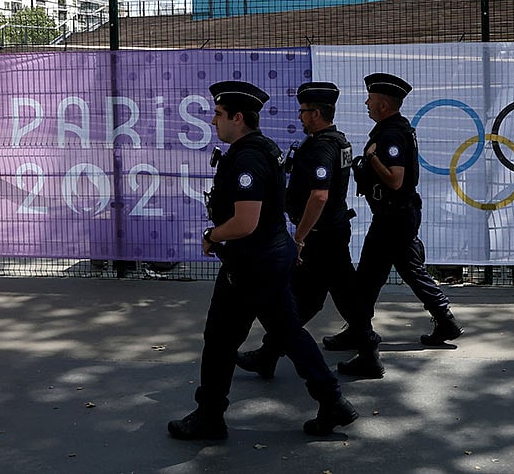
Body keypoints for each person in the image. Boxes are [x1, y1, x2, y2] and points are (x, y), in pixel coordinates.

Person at [167, 80, 358, 440]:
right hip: (266, 258)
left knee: (221, 337)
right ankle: (333, 401)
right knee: (288, 331)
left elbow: (245, 221)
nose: (213, 121)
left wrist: (211, 236)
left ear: (238, 117)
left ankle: (210, 415)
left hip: (252, 263)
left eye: (219, 115)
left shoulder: (249, 157)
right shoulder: (259, 149)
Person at [333, 73, 462, 379]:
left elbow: (395, 179)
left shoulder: (390, 135)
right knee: (408, 269)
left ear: (385, 104)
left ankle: (361, 339)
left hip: (394, 217)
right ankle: (445, 321)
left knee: (366, 280)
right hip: (397, 216)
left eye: (371, 99)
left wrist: (373, 159)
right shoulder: (392, 129)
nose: (366, 102)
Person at [235, 81, 359, 379]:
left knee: (300, 301)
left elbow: (319, 196)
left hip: (321, 236)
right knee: (342, 295)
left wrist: (300, 237)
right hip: (332, 231)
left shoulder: (323, 147)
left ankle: (270, 354)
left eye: (303, 112)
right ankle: (367, 348)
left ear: (315, 113)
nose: (300, 117)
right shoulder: (336, 141)